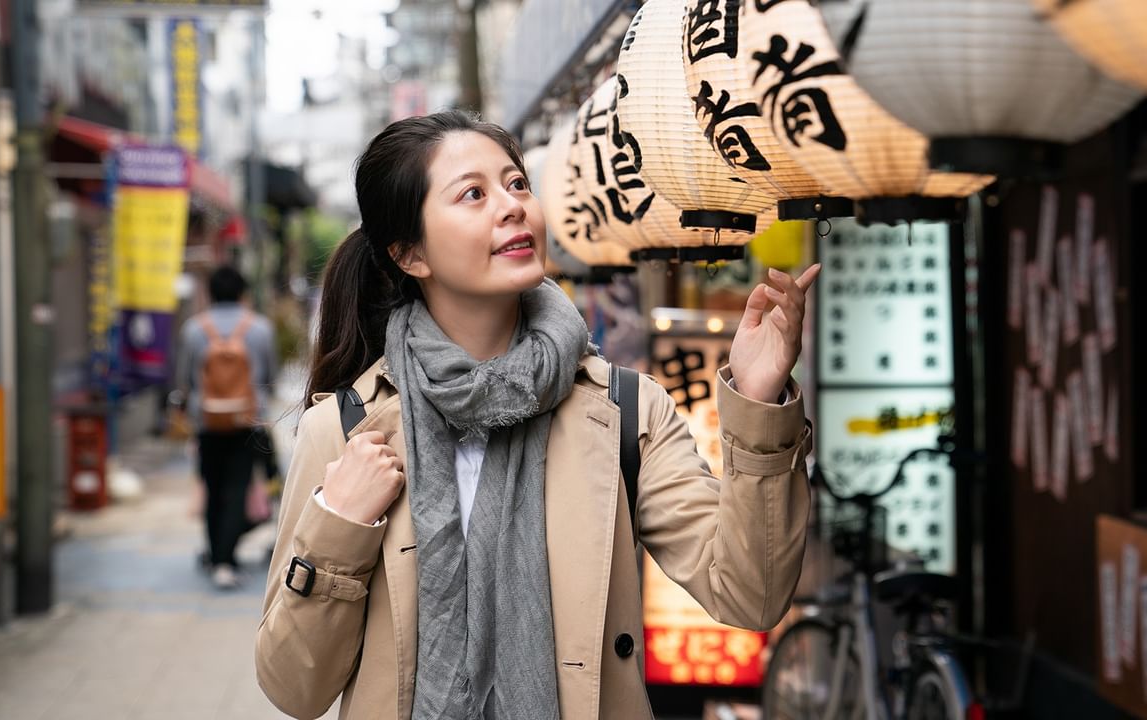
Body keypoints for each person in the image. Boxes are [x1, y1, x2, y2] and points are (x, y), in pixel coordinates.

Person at [255, 110, 820, 720]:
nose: (512, 205)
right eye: (474, 193)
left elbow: (751, 594)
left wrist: (760, 408)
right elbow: (294, 689)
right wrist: (339, 523)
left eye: (518, 183)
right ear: (410, 254)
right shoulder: (344, 432)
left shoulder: (626, 411)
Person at [175, 265, 278, 590]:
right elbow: (270, 376)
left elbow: (185, 377)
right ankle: (224, 560)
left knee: (212, 486)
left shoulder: (194, 329)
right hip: (246, 421)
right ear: (242, 293)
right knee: (237, 487)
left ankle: (217, 554)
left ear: (211, 294)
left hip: (206, 421)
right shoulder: (259, 328)